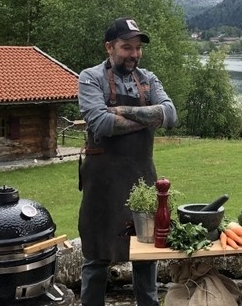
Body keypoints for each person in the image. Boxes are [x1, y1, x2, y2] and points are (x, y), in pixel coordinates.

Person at [77, 17, 177, 306]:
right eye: (126, 47)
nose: (134, 54)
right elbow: (101, 123)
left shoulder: (148, 79)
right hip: (102, 182)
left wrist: (119, 110)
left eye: (138, 48)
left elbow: (170, 115)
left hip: (142, 179)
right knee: (96, 255)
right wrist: (148, 118)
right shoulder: (90, 78)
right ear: (109, 47)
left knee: (145, 253)